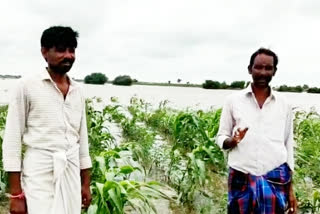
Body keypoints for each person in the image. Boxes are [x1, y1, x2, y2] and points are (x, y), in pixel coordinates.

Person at [2, 26, 92, 214]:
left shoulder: (78, 90)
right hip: (39, 173)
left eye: (71, 50)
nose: (68, 55)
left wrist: (85, 184)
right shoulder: (26, 86)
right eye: (61, 50)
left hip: (70, 172)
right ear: (44, 52)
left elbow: (82, 141)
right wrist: (16, 194)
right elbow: (11, 141)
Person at [216, 48, 297, 214]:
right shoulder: (233, 101)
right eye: (258, 67)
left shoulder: (284, 104)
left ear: (274, 71)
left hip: (275, 179)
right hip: (241, 177)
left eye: (268, 68)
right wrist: (232, 141)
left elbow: (288, 145)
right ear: (249, 69)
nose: (263, 72)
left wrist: (290, 189)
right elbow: (221, 136)